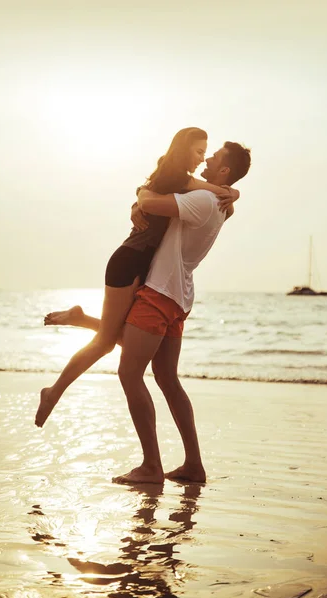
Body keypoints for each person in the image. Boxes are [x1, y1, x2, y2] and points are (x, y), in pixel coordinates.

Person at [35, 128, 239, 427]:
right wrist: (229, 191)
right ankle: (53, 392)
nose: (202, 157)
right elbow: (153, 195)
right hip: (129, 260)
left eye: (206, 153)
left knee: (124, 339)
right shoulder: (179, 175)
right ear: (183, 150)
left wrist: (231, 193)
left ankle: (80, 319)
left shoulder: (192, 187)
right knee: (106, 342)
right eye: (198, 151)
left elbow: (160, 193)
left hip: (145, 265)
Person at [111, 141, 252, 485]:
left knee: (130, 375)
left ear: (224, 171)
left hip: (160, 292)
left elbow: (149, 201)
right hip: (179, 297)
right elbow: (153, 203)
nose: (207, 157)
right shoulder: (220, 202)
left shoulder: (205, 199)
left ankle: (151, 466)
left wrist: (139, 198)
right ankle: (193, 464)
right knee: (167, 379)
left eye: (214, 156)